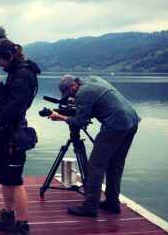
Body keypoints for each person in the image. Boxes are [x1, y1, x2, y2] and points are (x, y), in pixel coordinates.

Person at [49, 74, 141, 217]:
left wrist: (60, 117)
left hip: (115, 125)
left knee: (95, 166)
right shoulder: (92, 80)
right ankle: (112, 202)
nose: (70, 97)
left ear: (74, 85)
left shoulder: (82, 93)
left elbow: (78, 122)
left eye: (70, 94)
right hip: (131, 122)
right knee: (115, 166)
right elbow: (96, 106)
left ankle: (90, 207)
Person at [0, 38, 41, 235]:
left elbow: (16, 108)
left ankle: (22, 226)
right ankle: (8, 218)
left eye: (0, 60)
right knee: (6, 179)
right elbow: (6, 99)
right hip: (5, 132)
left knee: (15, 181)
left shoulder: (23, 74)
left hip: (13, 133)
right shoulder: (17, 72)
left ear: (9, 55)